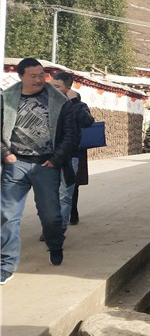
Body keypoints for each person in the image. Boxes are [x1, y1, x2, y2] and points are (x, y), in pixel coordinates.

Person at [1, 58, 79, 282]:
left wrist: (56, 159)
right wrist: (5, 153)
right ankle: (6, 265)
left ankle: (55, 244)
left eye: (41, 75)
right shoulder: (6, 99)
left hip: (46, 165)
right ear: (21, 76)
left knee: (51, 216)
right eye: (33, 76)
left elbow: (71, 135)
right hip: (16, 164)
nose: (38, 80)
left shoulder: (59, 101)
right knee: (7, 215)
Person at [51, 72, 95, 229]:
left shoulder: (78, 106)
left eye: (57, 86)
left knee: (67, 191)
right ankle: (51, 225)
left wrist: (74, 102)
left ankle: (59, 227)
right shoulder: (48, 103)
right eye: (52, 86)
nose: (53, 90)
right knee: (50, 193)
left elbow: (88, 121)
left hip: (71, 155)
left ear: (68, 88)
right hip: (50, 156)